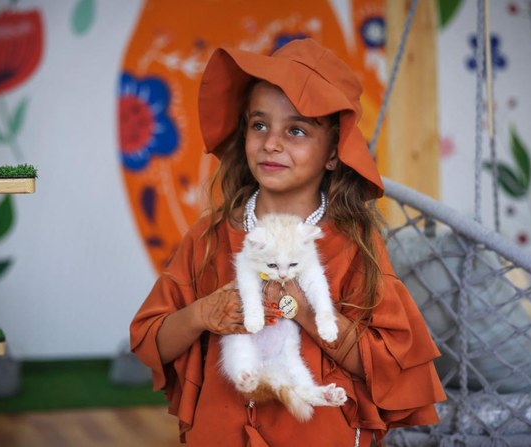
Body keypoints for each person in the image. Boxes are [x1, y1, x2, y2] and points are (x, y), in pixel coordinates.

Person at [130, 38, 446, 446]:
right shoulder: (209, 237)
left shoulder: (353, 243)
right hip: (219, 433)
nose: (272, 142)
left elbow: (384, 363)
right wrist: (202, 314)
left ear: (333, 152)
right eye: (259, 124)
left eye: (296, 129)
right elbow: (148, 340)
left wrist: (298, 306)